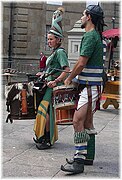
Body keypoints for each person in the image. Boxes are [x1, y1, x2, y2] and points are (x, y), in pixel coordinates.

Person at [61, 4, 106, 174]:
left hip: (89, 86)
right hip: (94, 85)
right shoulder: (99, 36)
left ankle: (79, 160)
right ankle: (88, 156)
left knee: (77, 121)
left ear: (89, 17)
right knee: (87, 122)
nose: (81, 17)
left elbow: (81, 63)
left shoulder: (89, 36)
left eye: (83, 14)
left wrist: (70, 78)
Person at [33, 7, 70, 150]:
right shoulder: (54, 52)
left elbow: (66, 70)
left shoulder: (60, 52)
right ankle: (44, 136)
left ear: (58, 40)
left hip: (52, 87)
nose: (48, 41)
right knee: (46, 112)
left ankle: (46, 139)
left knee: (45, 111)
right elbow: (51, 70)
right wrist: (42, 74)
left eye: (51, 39)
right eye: (48, 39)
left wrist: (55, 81)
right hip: (48, 84)